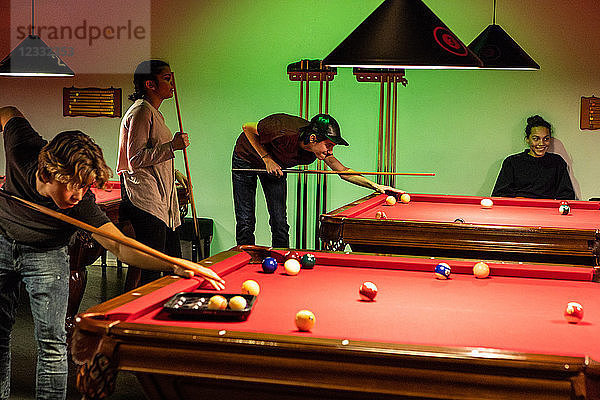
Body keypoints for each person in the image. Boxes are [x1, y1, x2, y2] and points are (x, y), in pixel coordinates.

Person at [0, 106, 224, 400]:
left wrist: (174, 265)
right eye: (72, 187)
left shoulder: (81, 204)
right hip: (3, 242)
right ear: (47, 173)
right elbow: (8, 112)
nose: (79, 196)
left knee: (52, 343)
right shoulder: (22, 147)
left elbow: (120, 246)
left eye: (85, 187)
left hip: (47, 254)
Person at [232, 113, 402, 247]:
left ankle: (281, 263)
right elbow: (247, 128)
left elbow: (343, 171)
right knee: (246, 221)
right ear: (313, 138)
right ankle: (245, 259)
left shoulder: (316, 150)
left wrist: (376, 186)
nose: (330, 151)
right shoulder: (281, 128)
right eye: (328, 145)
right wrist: (267, 158)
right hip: (246, 160)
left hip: (275, 167)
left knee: (280, 223)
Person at [117, 60, 189, 287]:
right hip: (145, 199)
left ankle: (169, 306)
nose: (172, 83)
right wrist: (172, 147)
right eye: (166, 78)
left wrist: (175, 172)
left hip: (160, 198)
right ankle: (149, 314)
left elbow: (150, 155)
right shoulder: (140, 112)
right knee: (155, 266)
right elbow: (135, 159)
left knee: (170, 259)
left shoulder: (153, 113)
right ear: (150, 84)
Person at [492, 115, 575, 199]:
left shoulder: (557, 162)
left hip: (547, 210)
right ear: (527, 139)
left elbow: (567, 195)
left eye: (546, 139)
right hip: (519, 209)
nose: (541, 143)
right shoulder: (512, 161)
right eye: (536, 139)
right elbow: (500, 195)